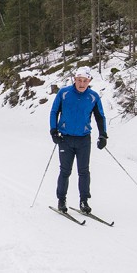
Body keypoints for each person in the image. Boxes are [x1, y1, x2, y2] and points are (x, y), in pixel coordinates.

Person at [49, 66, 108, 214]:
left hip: (83, 139)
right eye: (79, 80)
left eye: (85, 81)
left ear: (89, 81)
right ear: (74, 80)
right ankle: (61, 200)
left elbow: (100, 116)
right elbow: (54, 111)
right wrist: (53, 130)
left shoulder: (93, 96)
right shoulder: (64, 93)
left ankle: (84, 201)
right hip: (65, 139)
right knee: (65, 171)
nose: (82, 84)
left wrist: (103, 135)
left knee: (84, 171)